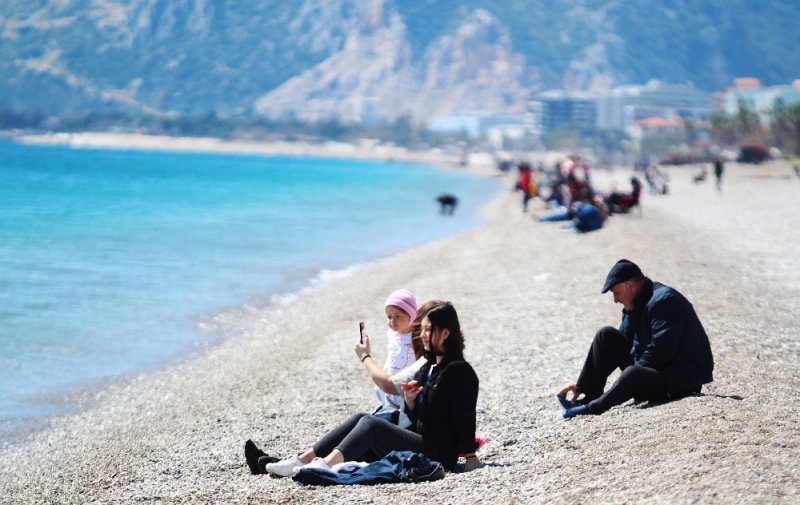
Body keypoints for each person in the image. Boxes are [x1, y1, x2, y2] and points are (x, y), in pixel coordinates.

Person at [248, 301, 481, 476]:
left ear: (446, 333)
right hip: (423, 440)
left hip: (438, 453)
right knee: (362, 420)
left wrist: (470, 457)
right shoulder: (430, 367)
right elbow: (419, 417)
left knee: (371, 425)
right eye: (422, 329)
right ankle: (302, 461)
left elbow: (465, 415)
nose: (422, 335)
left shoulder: (458, 369)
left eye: (428, 330)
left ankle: (324, 467)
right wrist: (411, 402)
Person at [556, 259, 714, 419]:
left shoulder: (666, 301)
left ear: (630, 286)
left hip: (679, 379)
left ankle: (592, 408)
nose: (615, 300)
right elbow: (620, 342)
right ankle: (589, 395)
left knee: (633, 373)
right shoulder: (635, 302)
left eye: (616, 293)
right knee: (606, 335)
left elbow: (659, 351)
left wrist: (625, 384)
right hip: (653, 369)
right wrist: (583, 384)